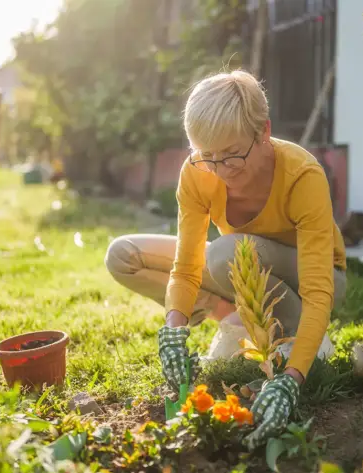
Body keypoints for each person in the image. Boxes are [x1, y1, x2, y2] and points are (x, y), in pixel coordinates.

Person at [104, 70, 347, 449]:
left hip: (313, 281)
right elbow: (186, 266)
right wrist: (174, 327)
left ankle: (295, 338)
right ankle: (233, 315)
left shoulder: (303, 175)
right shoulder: (197, 172)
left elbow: (319, 290)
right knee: (123, 255)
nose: (218, 170)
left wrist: (290, 380)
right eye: (207, 157)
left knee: (226, 252)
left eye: (231, 155)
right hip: (239, 268)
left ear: (263, 132)